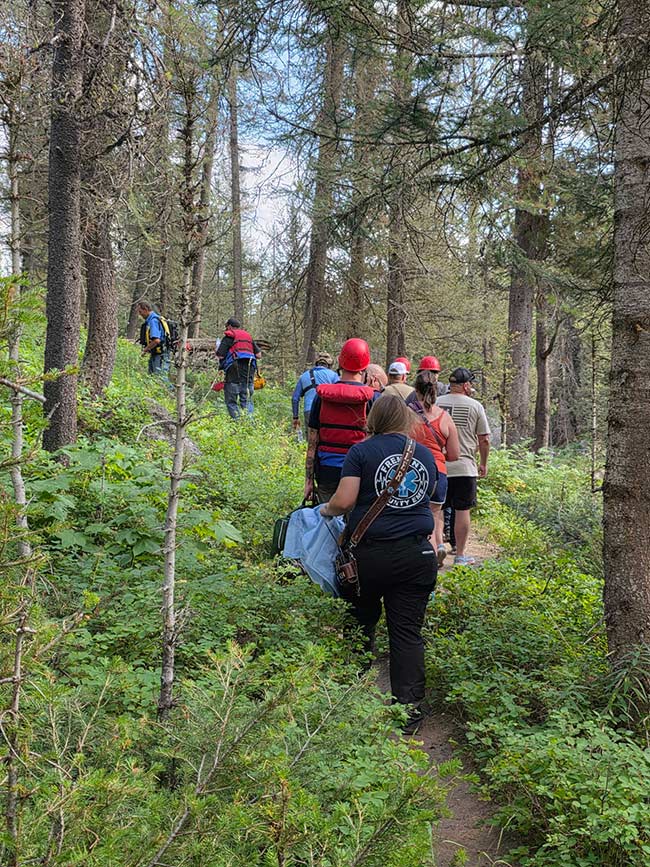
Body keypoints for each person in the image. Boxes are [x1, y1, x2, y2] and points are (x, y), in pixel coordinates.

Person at [320, 395, 438, 732]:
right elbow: (428, 503)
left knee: (360, 622)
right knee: (407, 632)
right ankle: (409, 711)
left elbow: (343, 501)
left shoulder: (361, 451)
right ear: (404, 420)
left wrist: (324, 510)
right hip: (417, 555)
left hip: (369, 557)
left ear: (373, 419)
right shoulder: (425, 455)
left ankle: (352, 697)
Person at [305, 338, 375, 503]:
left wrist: (308, 481)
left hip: (326, 471)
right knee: (355, 525)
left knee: (327, 523)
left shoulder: (321, 397)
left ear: (340, 363)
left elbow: (312, 443)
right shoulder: (371, 398)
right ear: (365, 367)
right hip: (359, 472)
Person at [436, 368, 490, 566]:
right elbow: (483, 439)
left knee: (438, 508)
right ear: (466, 385)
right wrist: (483, 463)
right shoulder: (475, 406)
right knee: (462, 509)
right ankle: (460, 555)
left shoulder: (437, 403)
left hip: (439, 464)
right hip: (465, 466)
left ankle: (438, 546)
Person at [410, 370, 460, 567]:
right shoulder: (444, 417)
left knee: (414, 512)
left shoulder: (407, 415)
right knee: (435, 512)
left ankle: (425, 552)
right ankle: (438, 545)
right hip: (438, 471)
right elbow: (454, 454)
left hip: (412, 472)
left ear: (416, 390)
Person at [216, 317, 261, 419]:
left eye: (226, 327)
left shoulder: (228, 337)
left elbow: (220, 355)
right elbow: (258, 355)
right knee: (247, 399)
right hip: (249, 371)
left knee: (231, 401)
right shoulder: (248, 338)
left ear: (230, 326)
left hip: (233, 371)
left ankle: (237, 423)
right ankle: (249, 425)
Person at [292, 352, 339, 432]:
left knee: (311, 440)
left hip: (309, 411)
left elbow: (295, 399)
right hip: (326, 410)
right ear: (329, 364)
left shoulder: (304, 375)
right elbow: (339, 395)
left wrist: (295, 417)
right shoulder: (334, 375)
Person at [138, 301, 171, 376]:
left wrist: (145, 350)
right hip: (158, 352)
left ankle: (169, 388)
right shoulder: (154, 319)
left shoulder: (153, 321)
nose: (140, 314)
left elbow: (156, 340)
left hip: (160, 354)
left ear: (146, 309)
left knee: (159, 377)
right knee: (152, 376)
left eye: (140, 311)